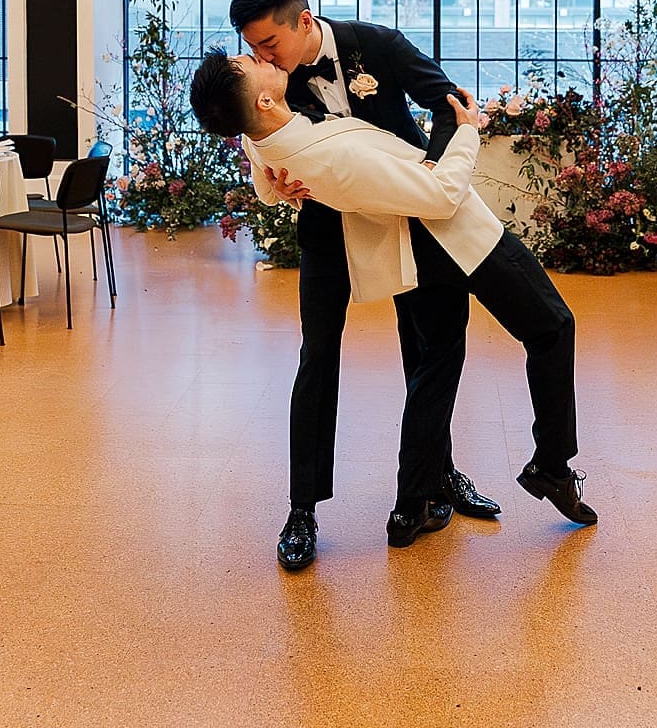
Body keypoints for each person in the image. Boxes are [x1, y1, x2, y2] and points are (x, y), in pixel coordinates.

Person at [189, 46, 598, 547]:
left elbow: (264, 171)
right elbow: (440, 196)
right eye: (252, 60)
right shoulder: (327, 156)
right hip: (452, 231)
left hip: (416, 244)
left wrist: (274, 186)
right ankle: (547, 467)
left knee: (436, 361)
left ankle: (413, 504)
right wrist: (468, 130)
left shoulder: (266, 137)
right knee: (551, 325)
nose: (261, 56)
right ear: (265, 101)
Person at [226, 0, 496, 569]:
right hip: (326, 232)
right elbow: (262, 157)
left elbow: (448, 103)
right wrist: (276, 186)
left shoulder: (376, 44)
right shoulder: (269, 85)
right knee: (317, 357)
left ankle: (438, 474)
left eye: (268, 44)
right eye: (252, 48)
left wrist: (429, 174)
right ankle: (302, 509)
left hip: (404, 219)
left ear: (303, 21)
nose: (261, 57)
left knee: (426, 350)